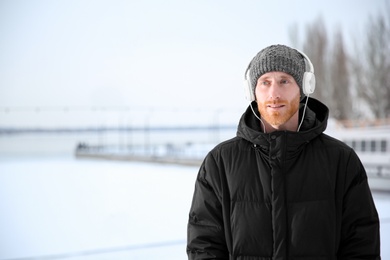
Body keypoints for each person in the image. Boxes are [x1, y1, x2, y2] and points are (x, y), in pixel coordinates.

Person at [186, 44, 381, 259]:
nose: (274, 93)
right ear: (252, 91)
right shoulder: (220, 163)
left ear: (304, 88)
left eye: (284, 81)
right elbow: (204, 247)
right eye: (265, 83)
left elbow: (362, 247)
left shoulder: (341, 161)